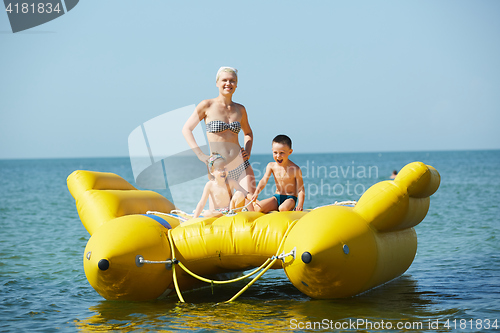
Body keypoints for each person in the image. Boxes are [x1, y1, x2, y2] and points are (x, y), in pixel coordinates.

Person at [182, 66, 255, 194]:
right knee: (222, 211)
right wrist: (200, 155)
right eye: (224, 80)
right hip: (218, 167)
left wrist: (247, 151)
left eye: (232, 81)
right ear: (217, 83)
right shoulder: (207, 105)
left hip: (241, 164)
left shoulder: (240, 109)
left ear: (236, 85)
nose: (228, 83)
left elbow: (248, 133)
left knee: (249, 205)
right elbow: (187, 129)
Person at [251, 135, 305, 212]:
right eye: (275, 152)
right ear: (272, 150)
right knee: (257, 208)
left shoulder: (295, 169)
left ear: (290, 152)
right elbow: (263, 181)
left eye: (282, 153)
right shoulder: (271, 166)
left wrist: (300, 205)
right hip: (277, 197)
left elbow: (301, 190)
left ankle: (283, 209)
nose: (278, 156)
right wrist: (256, 192)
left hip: (290, 199)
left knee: (283, 208)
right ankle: (252, 199)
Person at [193, 153, 252, 218]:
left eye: (225, 168)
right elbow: (202, 203)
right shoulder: (210, 185)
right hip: (217, 213)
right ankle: (224, 216)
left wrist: (254, 200)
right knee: (207, 213)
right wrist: (194, 218)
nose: (223, 171)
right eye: (219, 169)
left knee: (240, 194)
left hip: (231, 211)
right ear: (212, 172)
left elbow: (245, 193)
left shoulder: (231, 181)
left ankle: (233, 215)